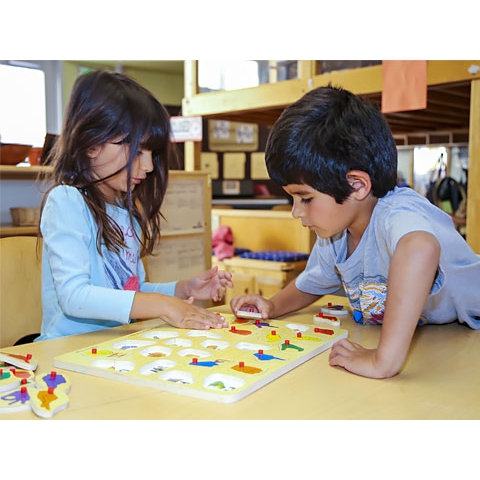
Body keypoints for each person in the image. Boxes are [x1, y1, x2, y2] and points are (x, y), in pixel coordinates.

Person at [230, 84, 480, 379]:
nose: (296, 212)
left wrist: (383, 361)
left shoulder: (396, 213)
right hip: (444, 338)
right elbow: (311, 284)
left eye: (306, 198)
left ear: (357, 185)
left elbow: (420, 249)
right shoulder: (334, 236)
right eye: (292, 200)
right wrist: (272, 305)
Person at [37, 69, 233, 341]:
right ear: (91, 144)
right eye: (138, 151)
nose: (150, 166)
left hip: (117, 348)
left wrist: (182, 289)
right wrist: (164, 306)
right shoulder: (66, 202)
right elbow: (74, 297)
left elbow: (131, 289)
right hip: (64, 352)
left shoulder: (125, 214)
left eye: (152, 154)